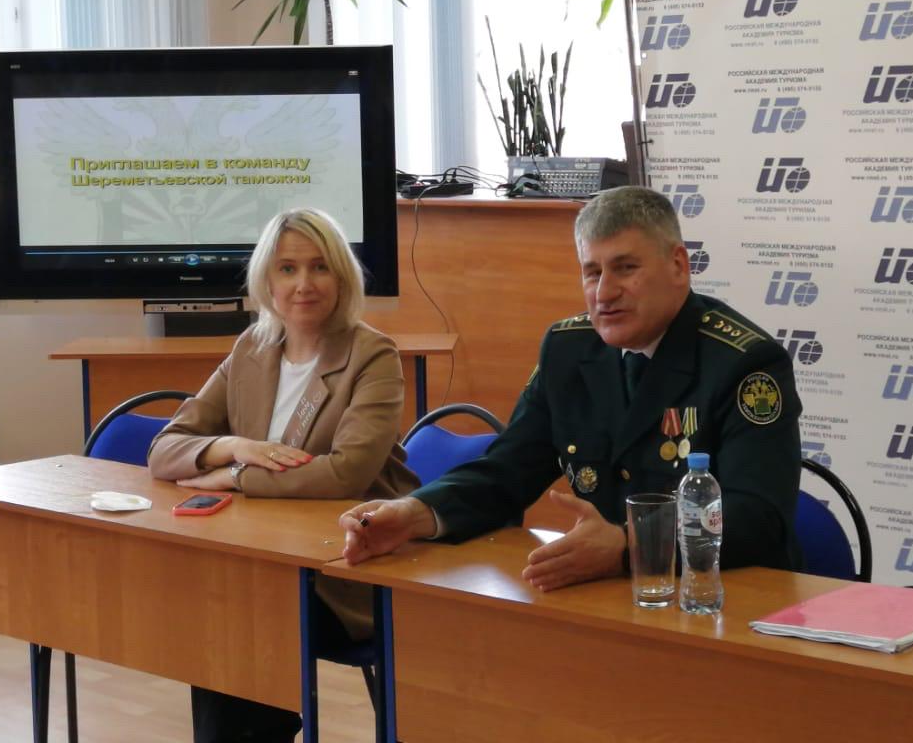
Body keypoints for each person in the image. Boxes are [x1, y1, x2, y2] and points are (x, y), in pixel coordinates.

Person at [340, 185, 801, 590]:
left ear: (678, 265)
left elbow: (758, 517)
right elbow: (507, 472)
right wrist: (415, 513)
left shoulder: (744, 363)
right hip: (608, 597)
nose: (604, 293)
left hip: (715, 599)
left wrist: (628, 545)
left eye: (625, 268)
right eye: (592, 272)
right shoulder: (569, 349)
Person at [148, 207, 417, 743]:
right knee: (216, 604)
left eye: (320, 267)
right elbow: (164, 450)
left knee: (236, 611)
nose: (303, 284)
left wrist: (236, 477)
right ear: (267, 282)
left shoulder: (372, 355)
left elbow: (346, 474)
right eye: (287, 269)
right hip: (259, 559)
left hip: (345, 569)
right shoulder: (252, 348)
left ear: (342, 277)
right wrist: (233, 446)